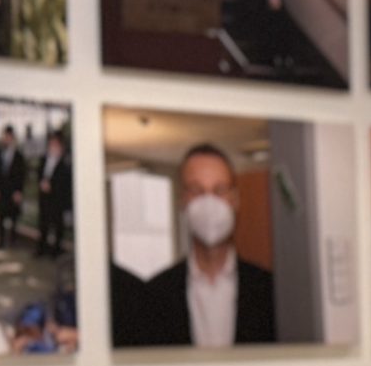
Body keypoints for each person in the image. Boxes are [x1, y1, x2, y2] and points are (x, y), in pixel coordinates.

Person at [118, 143, 278, 349]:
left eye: (219, 190)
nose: (209, 202)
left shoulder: (270, 292)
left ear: (235, 199)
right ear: (183, 200)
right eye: (196, 190)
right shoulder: (153, 297)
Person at [35, 128, 72, 259]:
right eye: (51, 144)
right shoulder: (44, 159)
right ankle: (41, 249)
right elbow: (39, 173)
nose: (53, 147)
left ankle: (55, 252)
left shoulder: (65, 163)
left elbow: (65, 183)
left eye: (55, 144)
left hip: (57, 200)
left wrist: (52, 186)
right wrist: (42, 183)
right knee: (43, 224)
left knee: (57, 226)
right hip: (44, 198)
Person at [0, 124, 25, 251]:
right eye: (5, 136)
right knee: (0, 216)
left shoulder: (19, 156)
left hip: (13, 192)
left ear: (13, 138)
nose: (6, 139)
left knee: (13, 217)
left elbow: (21, 175)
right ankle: (1, 241)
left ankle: (13, 240)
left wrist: (19, 191)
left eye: (9, 136)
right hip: (1, 191)